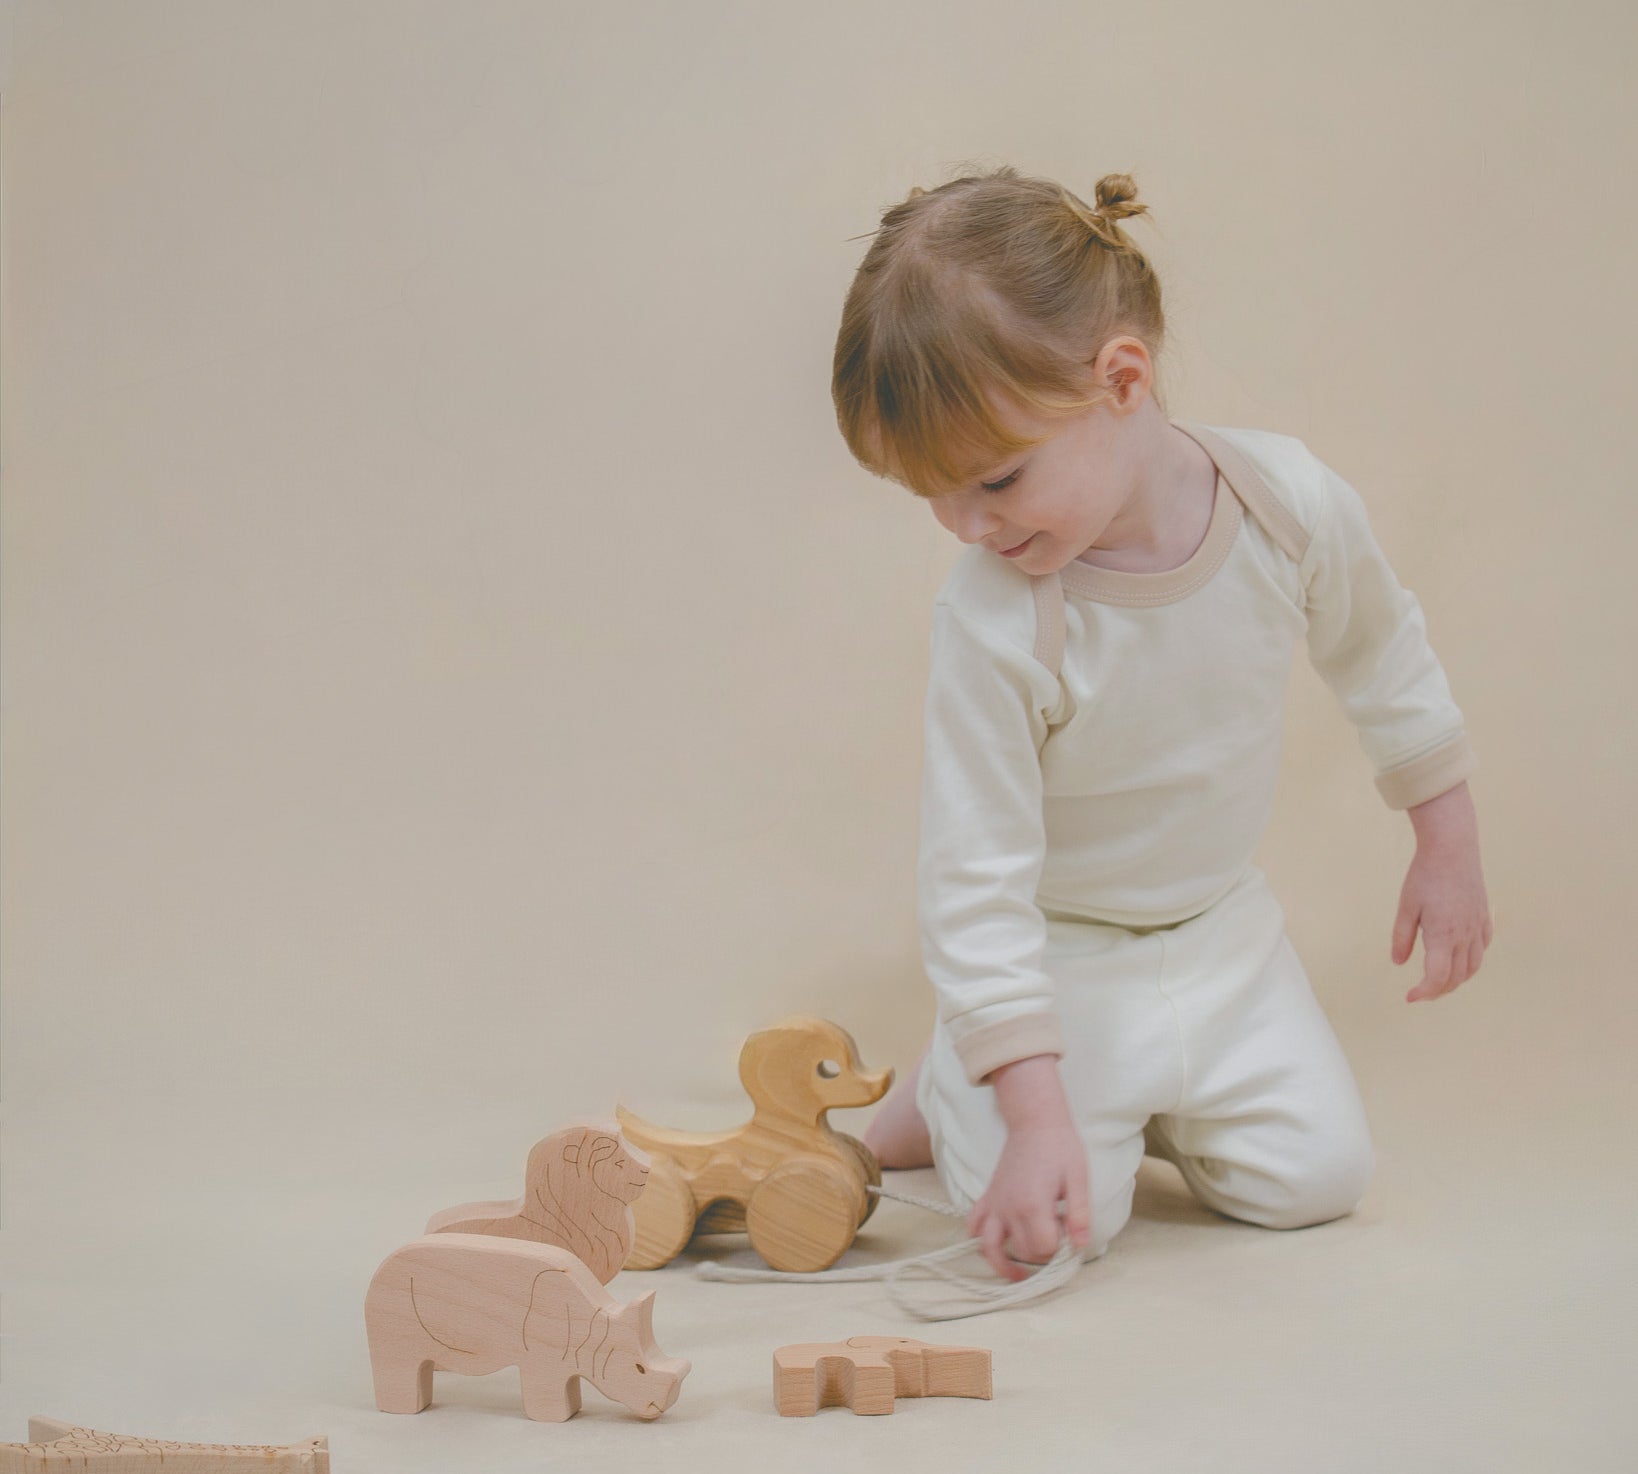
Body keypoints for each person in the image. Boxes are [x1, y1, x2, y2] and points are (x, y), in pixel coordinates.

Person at [830, 167, 1493, 1283]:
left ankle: (1154, 1099)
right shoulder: (996, 617)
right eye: (933, 497)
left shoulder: (1287, 504)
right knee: (1059, 1235)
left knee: (1319, 1181)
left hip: (1225, 933)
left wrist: (1447, 840)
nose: (966, 526)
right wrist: (1034, 1107)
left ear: (1122, 380)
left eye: (996, 480)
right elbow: (975, 872)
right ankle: (963, 1077)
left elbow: (1383, 653)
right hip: (1063, 953)